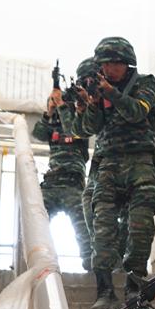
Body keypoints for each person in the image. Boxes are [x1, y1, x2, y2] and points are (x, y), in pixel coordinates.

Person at [78, 37, 155, 309]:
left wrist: (111, 93)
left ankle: (135, 285)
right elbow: (89, 128)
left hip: (141, 162)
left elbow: (137, 112)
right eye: (105, 64)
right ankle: (104, 290)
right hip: (108, 164)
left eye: (115, 63)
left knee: (141, 226)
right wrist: (91, 103)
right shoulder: (100, 89)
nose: (109, 69)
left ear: (127, 63)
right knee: (102, 227)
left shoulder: (144, 83)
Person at [57, 57, 129, 274]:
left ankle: (120, 261)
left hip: (126, 162)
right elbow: (77, 130)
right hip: (101, 163)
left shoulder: (119, 94)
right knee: (89, 203)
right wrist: (79, 106)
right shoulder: (94, 102)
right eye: (84, 82)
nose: (88, 86)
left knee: (126, 215)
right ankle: (107, 260)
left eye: (90, 80)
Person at [34, 76, 93, 271]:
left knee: (83, 227)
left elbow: (72, 130)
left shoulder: (80, 123)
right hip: (51, 184)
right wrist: (48, 112)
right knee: (36, 223)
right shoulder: (53, 125)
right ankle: (37, 263)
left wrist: (61, 105)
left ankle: (90, 265)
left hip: (72, 185)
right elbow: (38, 134)